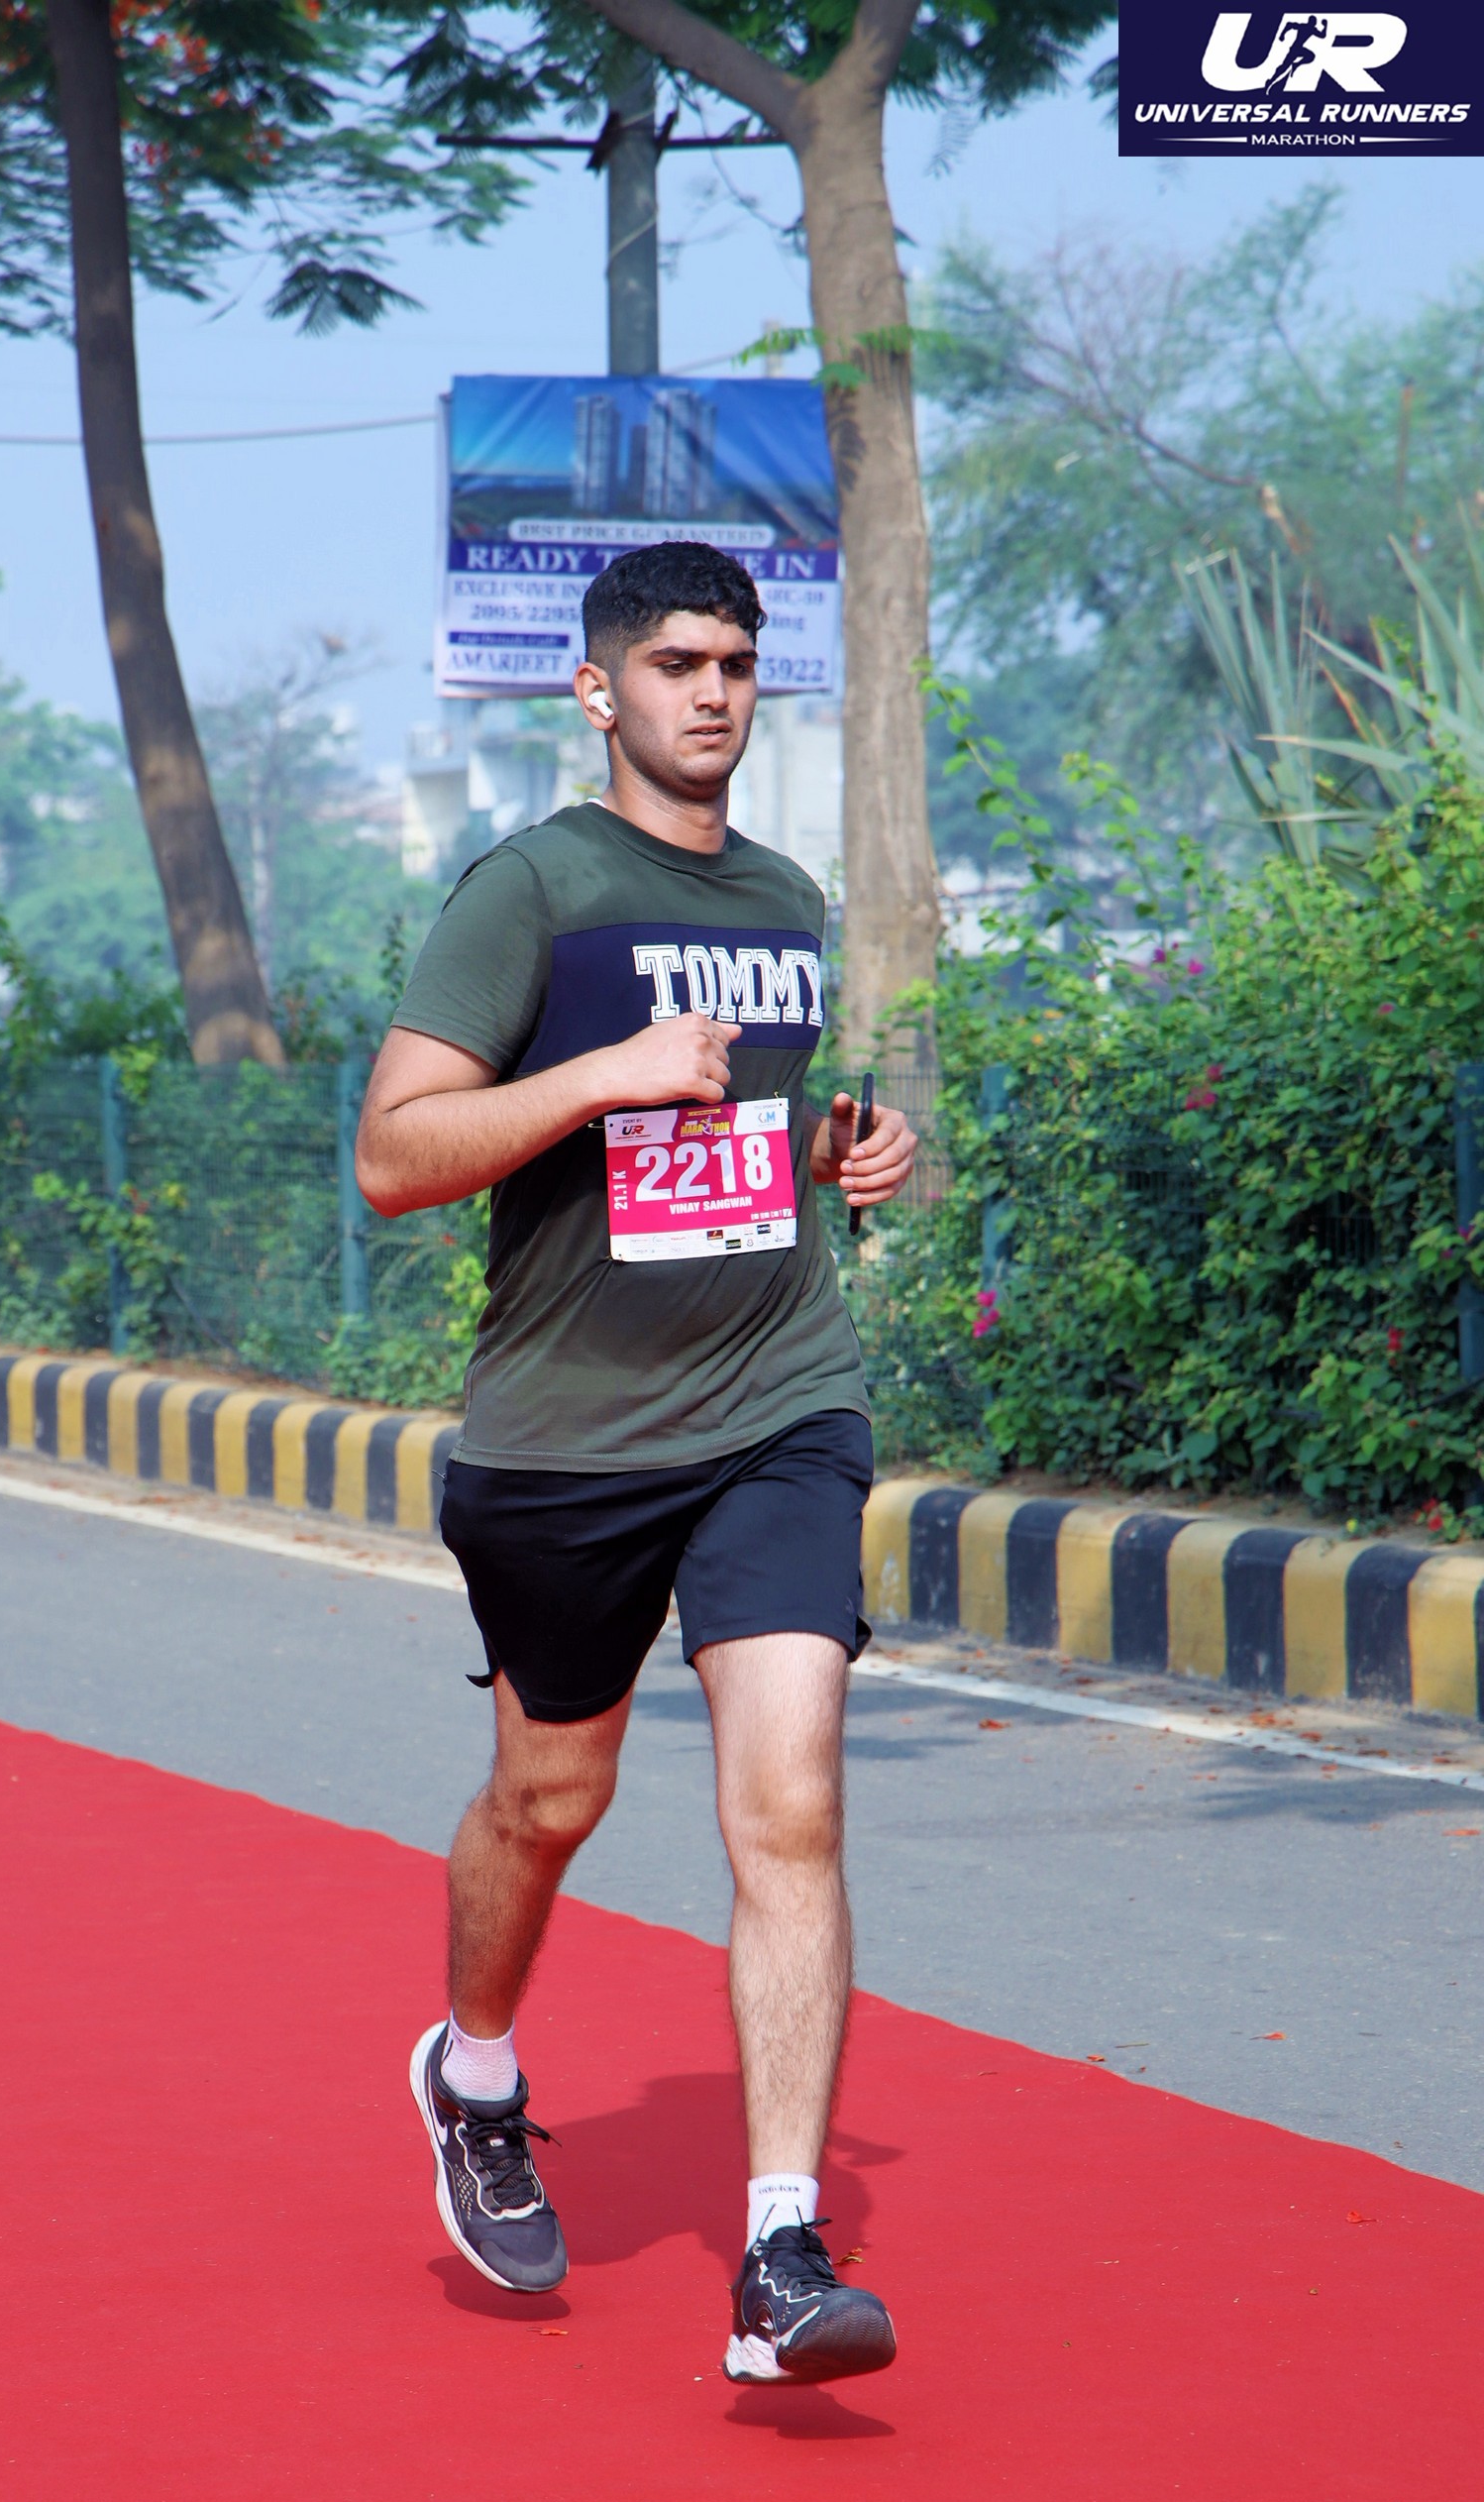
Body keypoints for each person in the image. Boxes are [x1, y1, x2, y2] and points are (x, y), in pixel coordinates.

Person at [356, 540, 918, 2385]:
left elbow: (737, 1132)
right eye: (677, 663)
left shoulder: (782, 895)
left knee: (794, 1804)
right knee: (550, 1799)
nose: (714, 693)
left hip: (780, 1402)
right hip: (569, 1439)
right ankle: (476, 2072)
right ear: (599, 691)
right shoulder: (529, 891)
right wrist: (599, 1076)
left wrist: (834, 1152)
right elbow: (394, 1155)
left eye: (737, 664)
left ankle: (780, 2257)